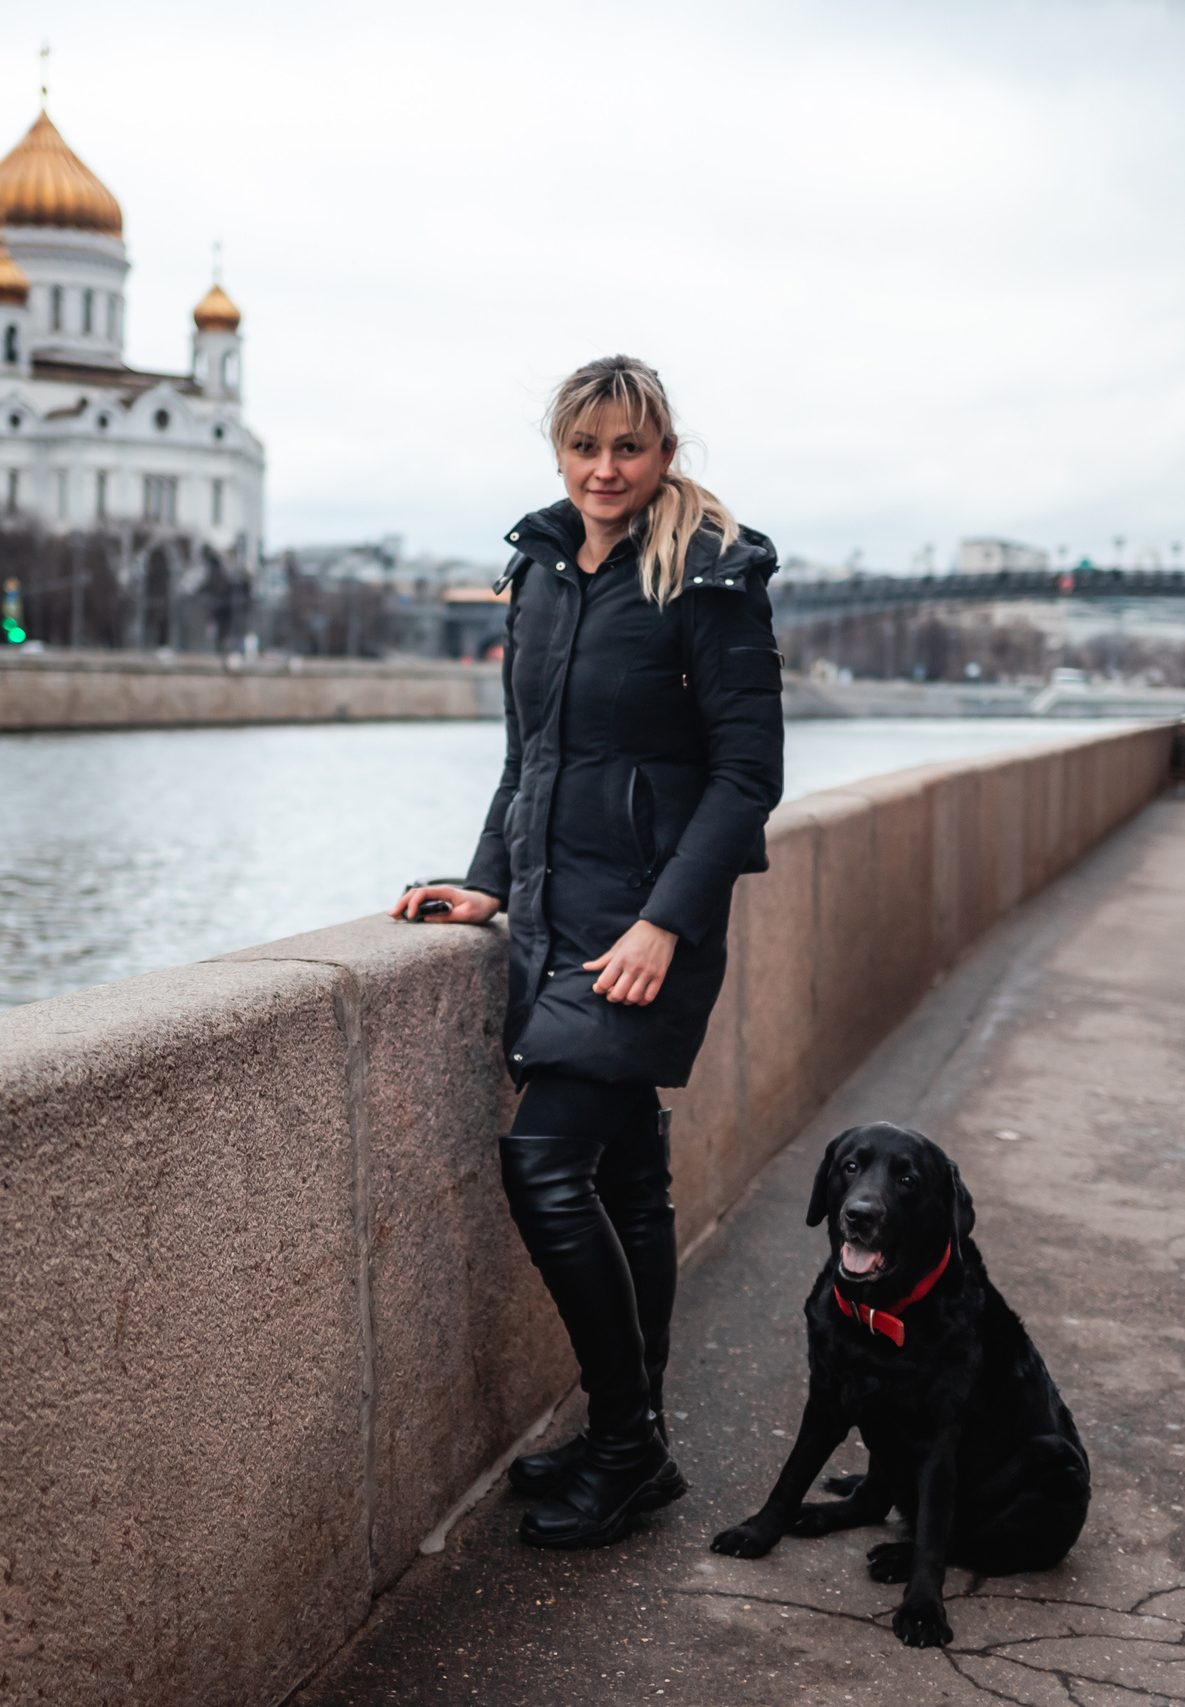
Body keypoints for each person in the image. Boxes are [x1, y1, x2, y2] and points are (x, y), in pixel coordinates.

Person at [392, 355, 785, 1549]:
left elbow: (747, 777)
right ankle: (636, 1435)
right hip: (557, 913)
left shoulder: (712, 577)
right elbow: (531, 762)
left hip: (642, 924)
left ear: (666, 453)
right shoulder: (545, 571)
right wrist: (488, 882)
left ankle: (624, 1447)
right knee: (623, 1180)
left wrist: (665, 923)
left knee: (544, 1165)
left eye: (629, 447)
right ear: (559, 451)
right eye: (584, 448)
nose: (605, 470)